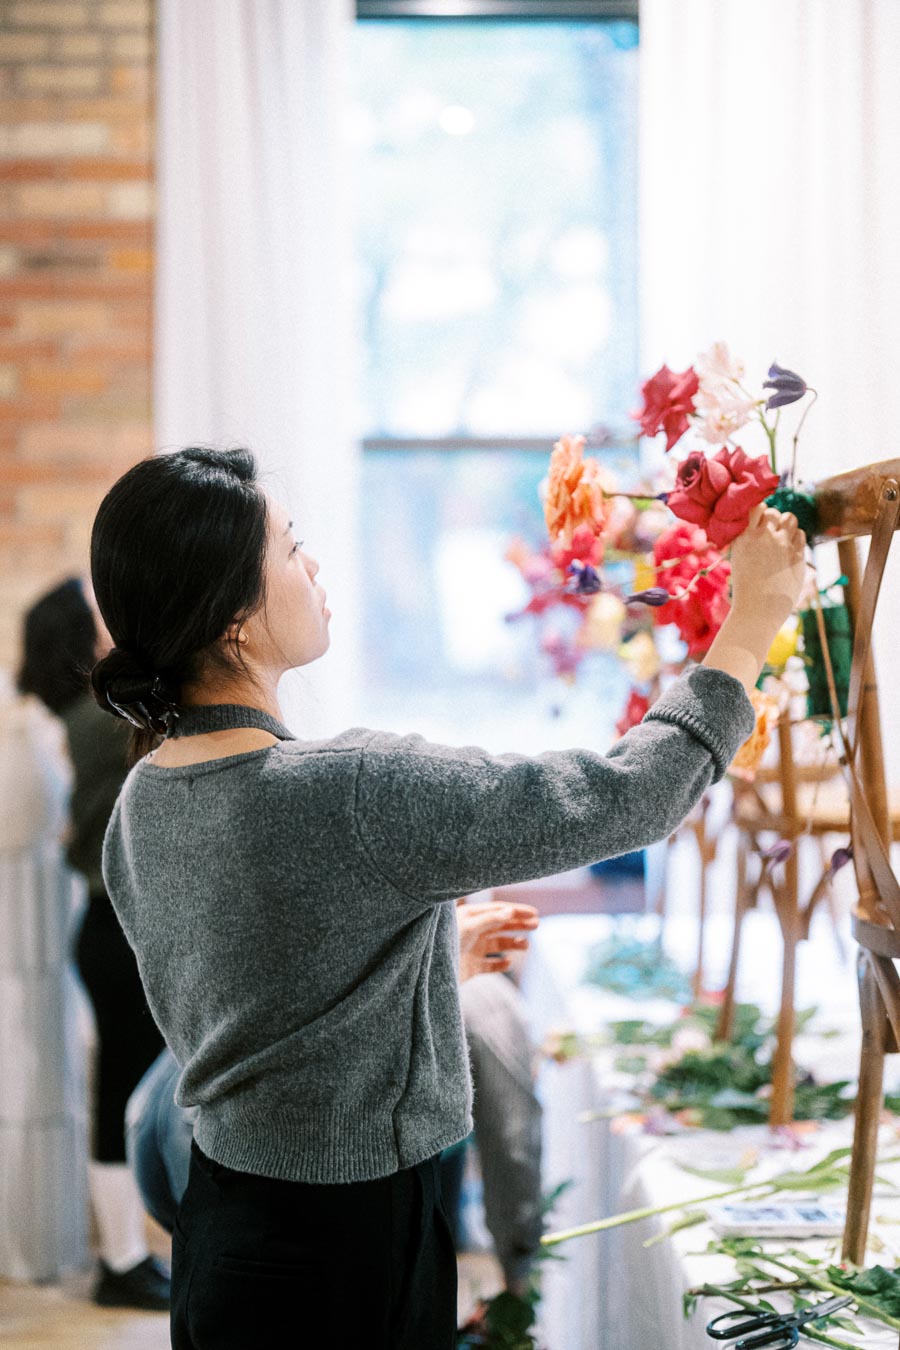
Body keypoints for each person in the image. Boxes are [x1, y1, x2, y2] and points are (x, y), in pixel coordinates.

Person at [87, 446, 806, 1349]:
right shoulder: (348, 789)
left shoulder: (144, 798)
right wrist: (751, 627)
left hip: (227, 1231)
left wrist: (423, 959)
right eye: (290, 546)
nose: (313, 567)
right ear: (232, 615)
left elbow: (250, 1005)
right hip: (346, 1249)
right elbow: (628, 795)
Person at [17, 579, 169, 1310]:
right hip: (117, 931)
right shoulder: (106, 718)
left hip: (108, 930)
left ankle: (128, 1253)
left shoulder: (77, 718)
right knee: (124, 1094)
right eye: (99, 613)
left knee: (123, 1091)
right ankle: (122, 1259)